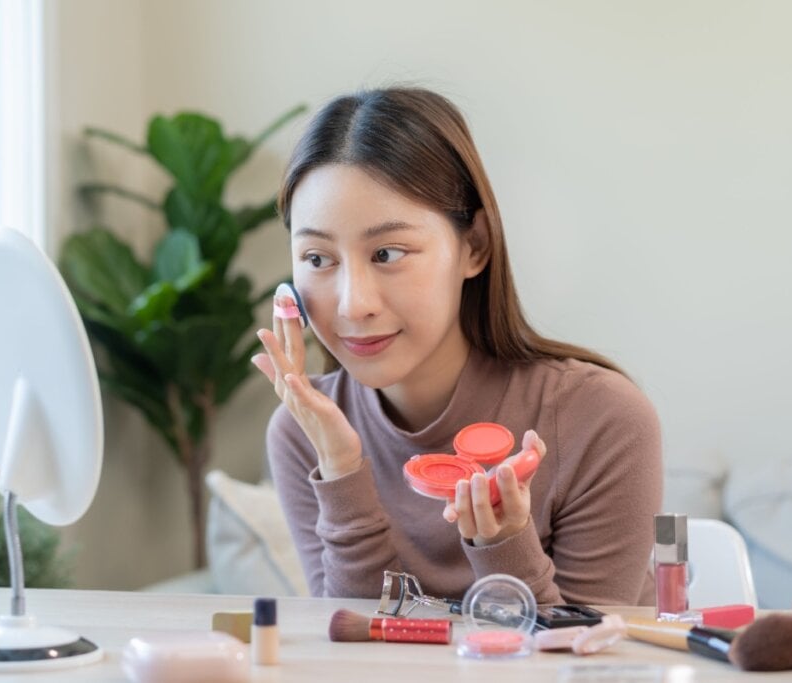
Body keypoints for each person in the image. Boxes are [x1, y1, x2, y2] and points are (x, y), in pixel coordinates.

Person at [251, 87, 662, 606]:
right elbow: (355, 652)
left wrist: (502, 545)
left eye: (387, 252)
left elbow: (584, 660)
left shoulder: (600, 419)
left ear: (475, 246)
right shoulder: (301, 434)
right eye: (317, 259)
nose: (354, 305)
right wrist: (340, 468)